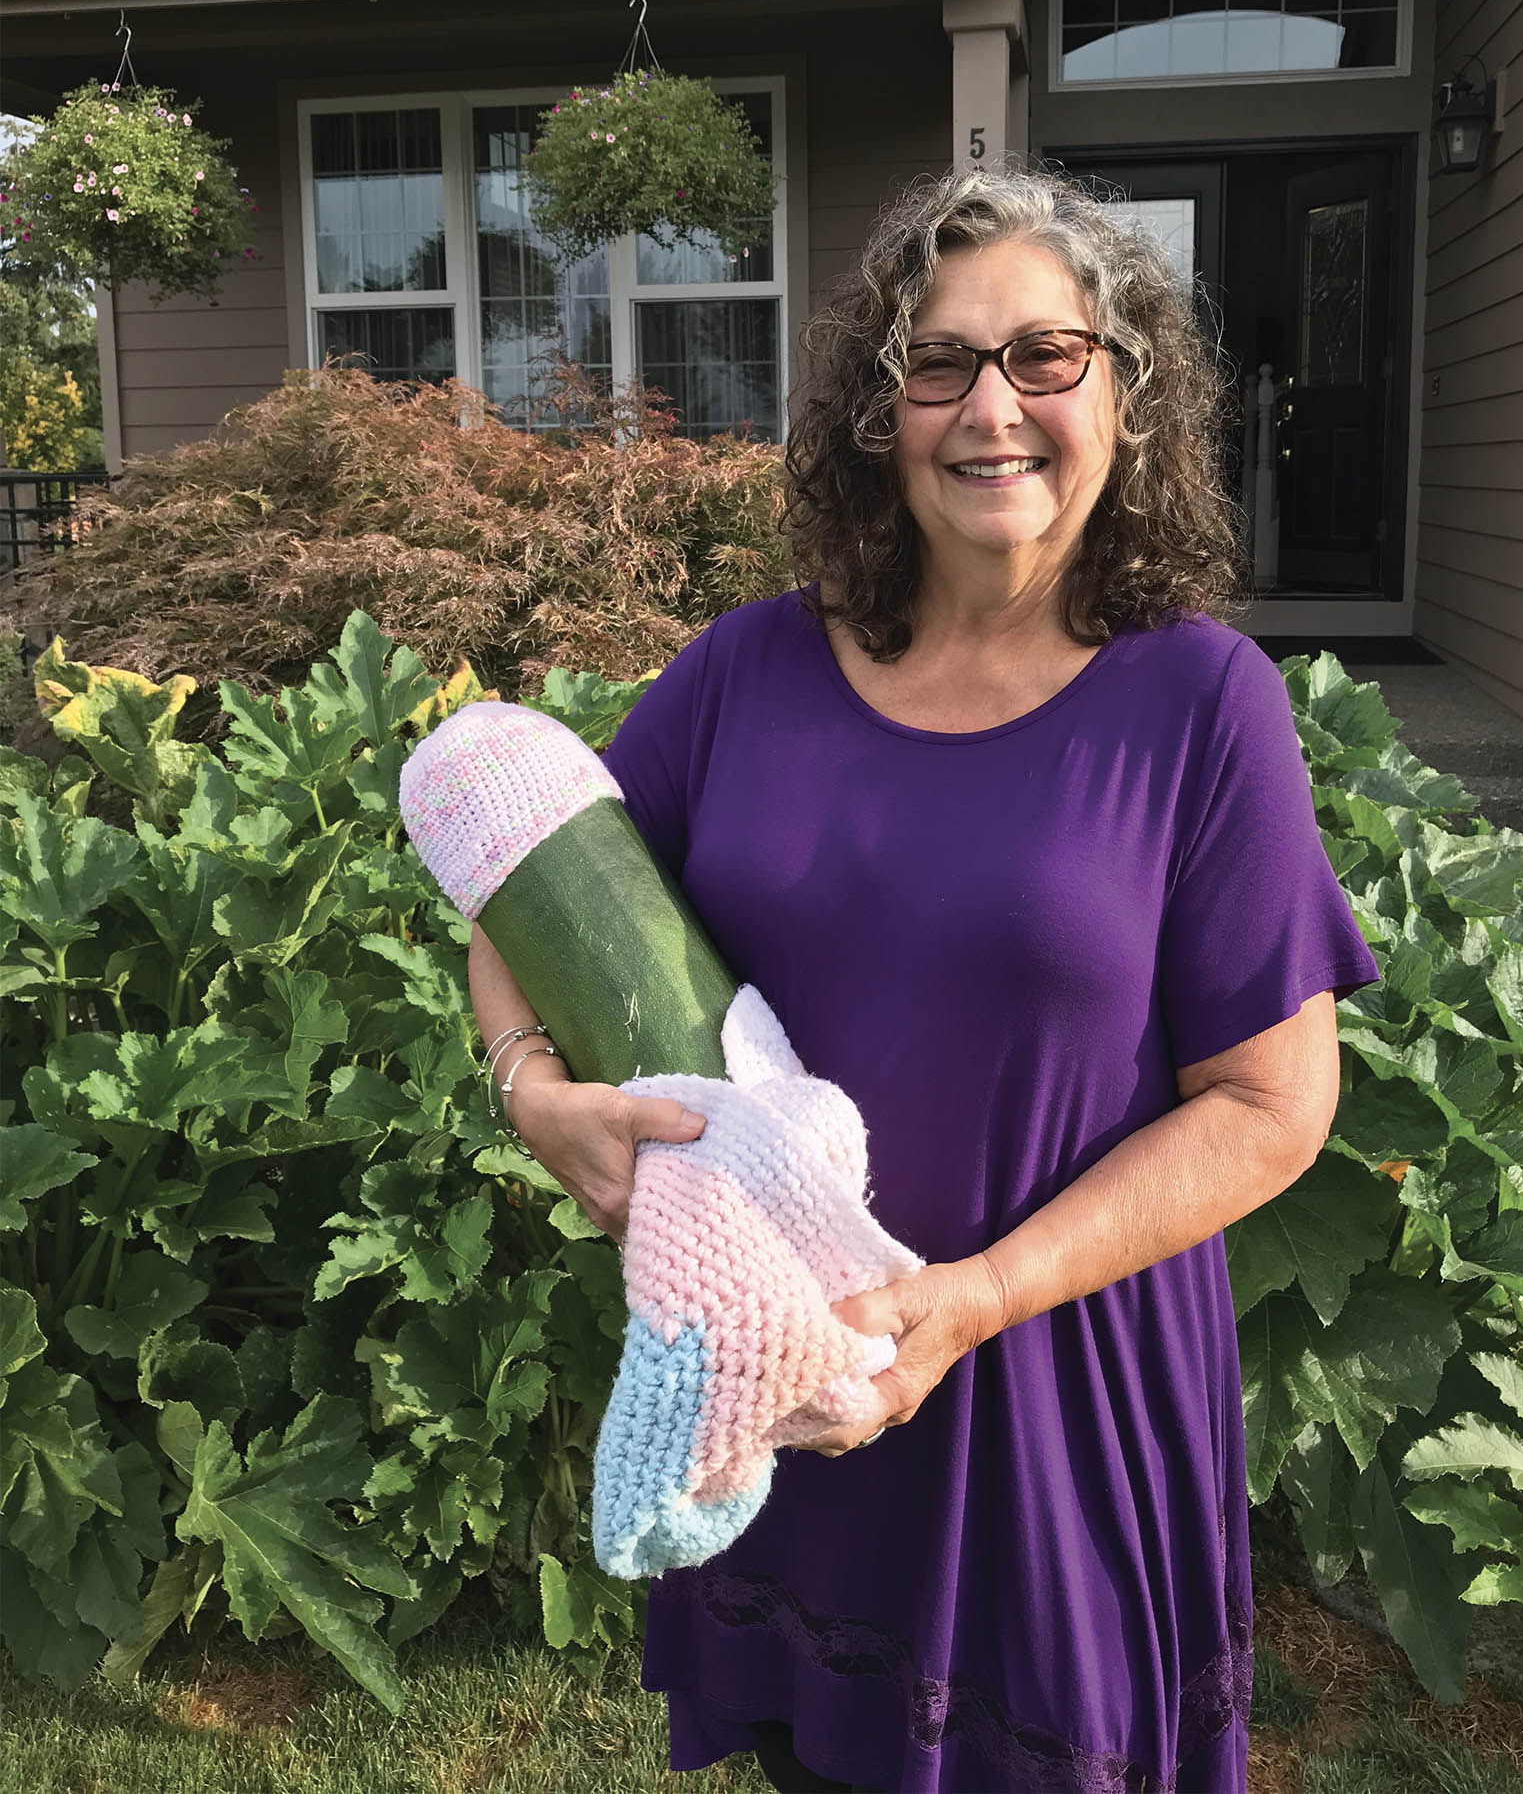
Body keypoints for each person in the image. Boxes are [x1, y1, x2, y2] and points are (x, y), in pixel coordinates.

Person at [467, 158, 1379, 1793]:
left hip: (1052, 1400)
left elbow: (1271, 1104)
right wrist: (537, 1096)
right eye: (937, 361)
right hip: (794, 1375)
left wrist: (973, 1298)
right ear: (878, 414)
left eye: (1046, 354)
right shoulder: (747, 668)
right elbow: (516, 894)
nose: (991, 408)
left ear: (1128, 392)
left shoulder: (1200, 704)